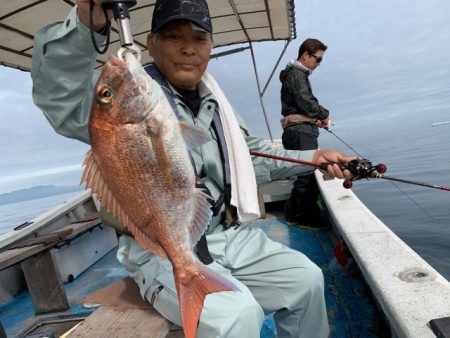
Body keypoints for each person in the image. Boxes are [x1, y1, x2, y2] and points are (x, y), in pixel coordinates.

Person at [31, 1, 354, 337]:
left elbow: (249, 156)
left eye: (199, 39)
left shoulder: (217, 105)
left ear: (210, 47)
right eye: (173, 37)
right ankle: (185, 278)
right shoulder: (117, 118)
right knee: (237, 315)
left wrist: (313, 159)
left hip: (229, 234)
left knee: (307, 280)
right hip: (160, 249)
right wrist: (87, 23)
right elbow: (60, 96)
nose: (188, 48)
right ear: (151, 45)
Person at [280, 38, 331, 228]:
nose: (318, 64)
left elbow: (300, 106)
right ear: (305, 55)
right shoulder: (297, 74)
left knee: (302, 174)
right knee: (307, 176)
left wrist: (314, 119)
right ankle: (306, 219)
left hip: (296, 131)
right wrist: (324, 114)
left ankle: (292, 215)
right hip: (300, 133)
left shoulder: (293, 75)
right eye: (318, 59)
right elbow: (305, 101)